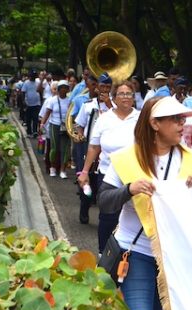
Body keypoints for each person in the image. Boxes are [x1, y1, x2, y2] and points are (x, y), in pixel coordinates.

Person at [97, 95, 192, 310]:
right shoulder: (126, 158)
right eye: (175, 120)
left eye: (183, 120)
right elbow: (104, 202)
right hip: (135, 253)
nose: (183, 125)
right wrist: (129, 189)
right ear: (155, 124)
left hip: (172, 260)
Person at [78, 81, 140, 249]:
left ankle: (126, 252)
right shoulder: (104, 119)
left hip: (133, 175)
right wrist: (84, 171)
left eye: (129, 94)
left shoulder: (141, 118)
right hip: (107, 174)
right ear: (114, 98)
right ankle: (103, 252)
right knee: (108, 215)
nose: (126, 97)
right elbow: (94, 147)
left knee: (129, 216)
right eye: (121, 94)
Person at [73, 72, 114, 224]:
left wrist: (109, 105)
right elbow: (79, 124)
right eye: (102, 86)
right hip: (91, 150)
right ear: (97, 87)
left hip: (107, 153)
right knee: (87, 185)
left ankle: (104, 218)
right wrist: (80, 134)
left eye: (108, 87)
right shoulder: (88, 105)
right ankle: (84, 208)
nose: (104, 89)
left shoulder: (116, 107)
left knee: (104, 187)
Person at [41, 80, 72, 178]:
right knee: (54, 148)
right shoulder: (52, 100)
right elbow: (47, 113)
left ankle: (63, 170)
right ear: (58, 89)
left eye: (65, 87)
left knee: (65, 149)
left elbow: (72, 114)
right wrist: (42, 124)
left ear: (67, 89)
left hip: (66, 126)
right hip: (54, 125)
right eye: (61, 87)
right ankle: (53, 168)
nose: (63, 89)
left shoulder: (70, 101)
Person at [22, 71, 42, 138]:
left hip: (36, 103)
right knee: (28, 118)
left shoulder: (37, 82)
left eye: (34, 76)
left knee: (35, 118)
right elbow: (23, 92)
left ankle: (35, 131)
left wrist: (41, 101)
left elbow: (40, 91)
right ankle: (29, 132)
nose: (33, 77)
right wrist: (24, 101)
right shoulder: (26, 83)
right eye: (32, 76)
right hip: (28, 104)